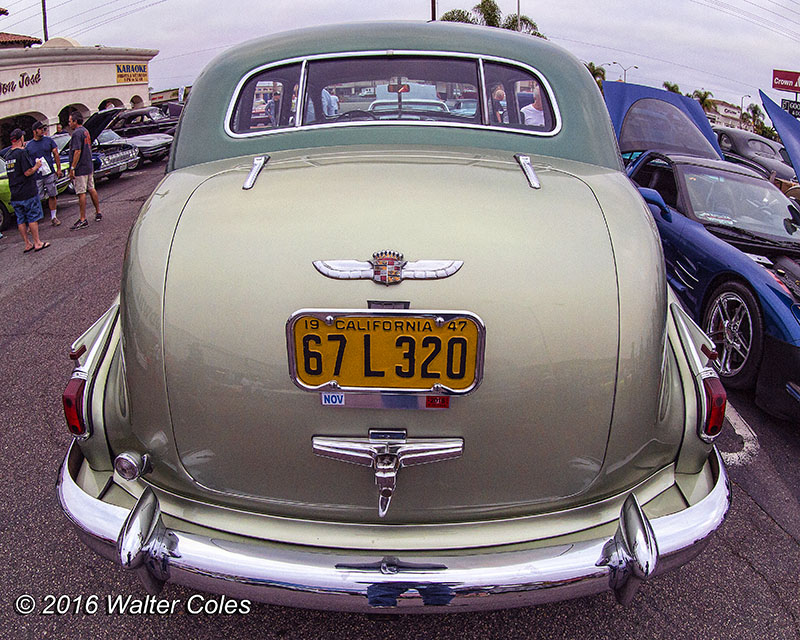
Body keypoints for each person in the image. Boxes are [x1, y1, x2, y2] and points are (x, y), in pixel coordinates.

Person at [6, 128, 49, 253]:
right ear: (20, 138)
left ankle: (27, 243)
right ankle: (37, 242)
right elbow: (27, 172)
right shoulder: (21, 153)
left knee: (20, 219)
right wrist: (37, 166)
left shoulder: (8, 155)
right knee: (32, 217)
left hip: (15, 192)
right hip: (27, 191)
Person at [67, 111, 102, 230]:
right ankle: (98, 212)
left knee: (81, 192)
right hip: (88, 165)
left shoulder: (76, 133)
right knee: (91, 188)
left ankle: (83, 219)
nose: (69, 123)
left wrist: (72, 167)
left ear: (75, 121)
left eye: (70, 121)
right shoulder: (85, 131)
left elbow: (77, 151)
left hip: (81, 167)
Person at [26, 120, 62, 226]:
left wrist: (58, 169)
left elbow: (56, 154)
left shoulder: (48, 141)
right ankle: (35, 221)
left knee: (52, 194)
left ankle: (54, 217)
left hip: (49, 173)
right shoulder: (29, 146)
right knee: (37, 197)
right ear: (34, 131)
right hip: (37, 175)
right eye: (40, 129)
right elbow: (27, 161)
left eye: (43, 129)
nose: (42, 130)